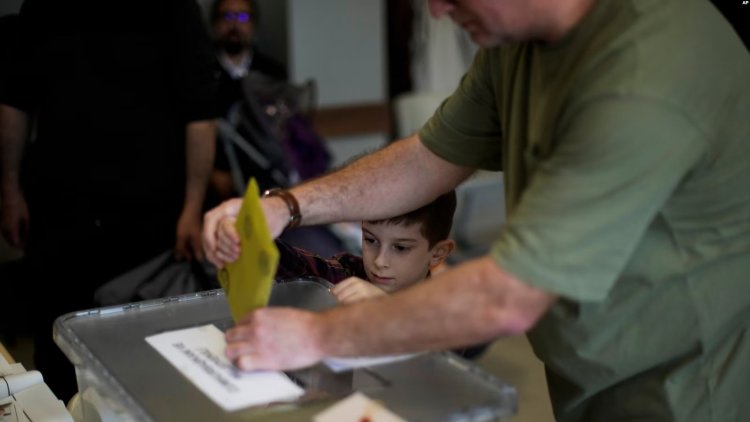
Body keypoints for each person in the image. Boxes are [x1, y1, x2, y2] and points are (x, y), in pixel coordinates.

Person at [204, 0, 750, 420]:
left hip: (684, 386)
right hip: (591, 371)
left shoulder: (645, 72)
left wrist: (317, 337)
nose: (437, 10)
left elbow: (507, 296)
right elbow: (427, 158)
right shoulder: (515, 41)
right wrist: (288, 207)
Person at [0, 0, 218, 401]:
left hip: (150, 217)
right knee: (58, 349)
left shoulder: (174, 9)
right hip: (59, 209)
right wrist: (9, 188)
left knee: (144, 356)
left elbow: (200, 112)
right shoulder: (43, 8)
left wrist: (192, 207)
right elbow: (15, 100)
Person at [269, 191, 457, 303]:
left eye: (400, 248)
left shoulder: (445, 307)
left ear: (438, 253)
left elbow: (437, 358)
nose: (379, 261)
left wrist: (386, 308)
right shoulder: (349, 270)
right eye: (370, 240)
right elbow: (295, 265)